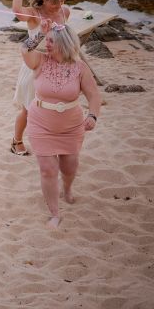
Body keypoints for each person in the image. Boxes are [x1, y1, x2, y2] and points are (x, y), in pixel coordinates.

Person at [21, 21, 100, 229]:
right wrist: (41, 33)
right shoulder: (39, 60)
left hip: (71, 127)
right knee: (47, 170)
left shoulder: (80, 68)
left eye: (51, 42)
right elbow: (24, 48)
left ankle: (67, 189)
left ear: (64, 44)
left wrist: (93, 115)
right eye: (47, 41)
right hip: (40, 124)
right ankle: (55, 214)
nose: (47, 44)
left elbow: (93, 95)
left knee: (69, 166)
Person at [11, 0, 70, 155]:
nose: (58, 6)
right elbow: (16, 10)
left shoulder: (64, 12)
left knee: (55, 109)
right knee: (29, 110)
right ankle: (16, 141)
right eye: (54, 2)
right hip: (34, 65)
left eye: (61, 1)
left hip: (55, 67)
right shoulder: (34, 15)